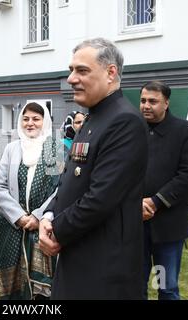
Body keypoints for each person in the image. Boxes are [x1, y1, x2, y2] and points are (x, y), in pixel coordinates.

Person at [39, 38, 148, 299]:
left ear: (111, 73)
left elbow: (100, 198)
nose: (71, 79)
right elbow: (70, 182)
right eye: (71, 70)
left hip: (103, 265)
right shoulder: (94, 117)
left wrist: (57, 230)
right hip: (80, 252)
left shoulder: (124, 121)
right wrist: (49, 215)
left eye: (82, 71)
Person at [0, 102, 59, 300]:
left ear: (44, 121)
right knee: (13, 289)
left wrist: (38, 217)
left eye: (36, 119)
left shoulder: (54, 149)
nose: (30, 123)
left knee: (42, 291)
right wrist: (19, 216)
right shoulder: (12, 148)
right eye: (26, 118)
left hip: (44, 226)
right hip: (11, 226)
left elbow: (59, 189)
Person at [139, 80, 188, 300]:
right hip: (135, 227)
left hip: (167, 228)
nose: (146, 105)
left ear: (166, 103)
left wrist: (155, 201)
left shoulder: (184, 131)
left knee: (165, 287)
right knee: (136, 287)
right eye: (143, 100)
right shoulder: (133, 130)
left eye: (152, 101)